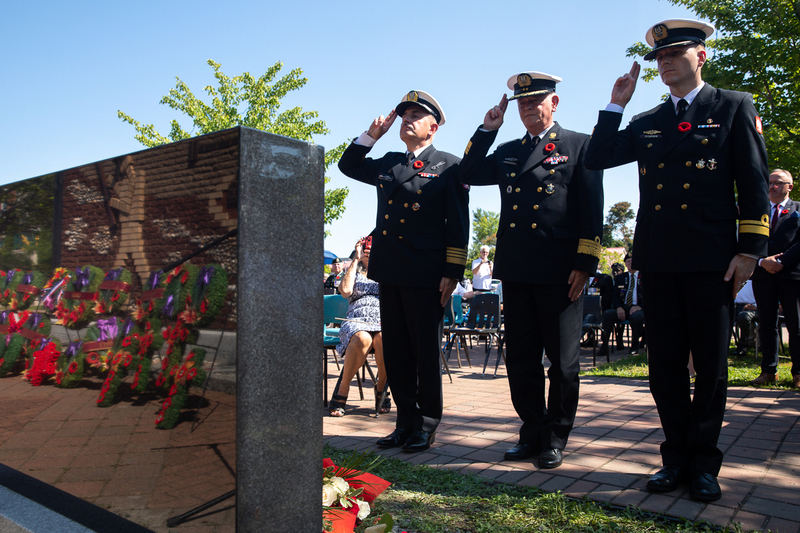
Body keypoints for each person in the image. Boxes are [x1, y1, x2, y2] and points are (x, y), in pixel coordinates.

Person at [585, 19, 770, 502]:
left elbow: (753, 182)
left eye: (675, 53)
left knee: (709, 366)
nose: (665, 62)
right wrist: (616, 105)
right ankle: (674, 459)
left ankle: (704, 464)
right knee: (663, 365)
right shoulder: (647, 121)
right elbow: (597, 156)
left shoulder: (732, 106)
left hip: (713, 259)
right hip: (660, 258)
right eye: (659, 58)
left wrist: (750, 249)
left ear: (701, 56)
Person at [460, 72, 604, 469]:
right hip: (518, 268)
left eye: (534, 100)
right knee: (521, 359)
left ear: (553, 103)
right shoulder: (508, 151)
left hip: (561, 272)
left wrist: (585, 263)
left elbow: (592, 210)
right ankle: (531, 431)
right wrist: (487, 130)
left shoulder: (579, 145)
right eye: (521, 102)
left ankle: (555, 437)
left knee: (563, 362)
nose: (527, 107)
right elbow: (467, 174)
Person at [338, 90, 470, 452]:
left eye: (416, 115)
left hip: (427, 272)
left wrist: (453, 270)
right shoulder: (389, 163)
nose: (407, 119)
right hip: (389, 270)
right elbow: (347, 166)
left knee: (424, 352)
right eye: (404, 114)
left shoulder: (449, 165)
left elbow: (458, 224)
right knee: (396, 352)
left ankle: (426, 424)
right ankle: (404, 423)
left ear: (434, 126)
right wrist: (371, 137)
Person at [751, 169, 800, 388]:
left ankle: (798, 373)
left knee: (796, 325)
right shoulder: (757, 211)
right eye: (770, 183)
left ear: (790, 186)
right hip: (763, 276)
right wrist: (762, 262)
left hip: (791, 275)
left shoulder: (798, 209)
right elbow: (749, 240)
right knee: (766, 324)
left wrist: (781, 262)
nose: (772, 186)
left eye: (778, 183)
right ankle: (769, 371)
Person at [328, 238, 388, 416]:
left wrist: (380, 260)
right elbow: (345, 291)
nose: (369, 251)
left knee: (386, 340)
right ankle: (343, 389)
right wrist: (356, 259)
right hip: (357, 319)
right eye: (366, 248)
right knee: (362, 338)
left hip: (382, 319)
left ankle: (382, 388)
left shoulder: (385, 270)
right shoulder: (354, 272)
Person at [598, 253, 645, 356]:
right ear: (625, 264)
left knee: (637, 317)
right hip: (623, 308)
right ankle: (604, 346)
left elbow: (650, 296)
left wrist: (639, 307)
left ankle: (634, 346)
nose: (630, 263)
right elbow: (614, 296)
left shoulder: (644, 277)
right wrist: (619, 307)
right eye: (628, 261)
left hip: (639, 309)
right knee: (608, 314)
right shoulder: (620, 278)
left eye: (633, 261)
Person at [733, 279, 757, 357]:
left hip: (753, 307)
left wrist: (755, 306)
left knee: (743, 317)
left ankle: (744, 344)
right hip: (736, 305)